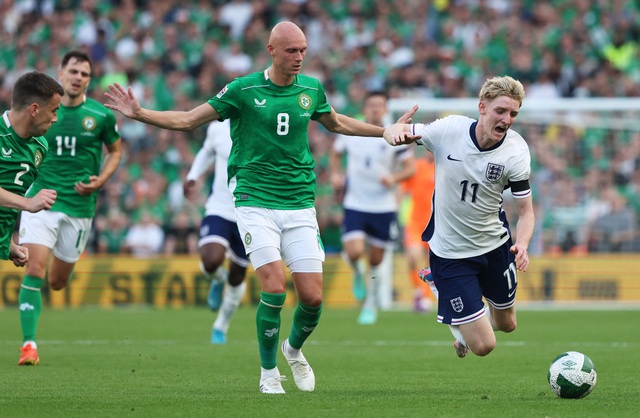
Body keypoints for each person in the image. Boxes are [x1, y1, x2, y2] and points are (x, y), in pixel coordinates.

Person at [105, 21, 417, 394]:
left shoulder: (311, 89)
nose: (299, 57)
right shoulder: (242, 89)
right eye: (291, 50)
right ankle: (269, 372)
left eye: (303, 50)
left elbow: (336, 123)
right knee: (273, 287)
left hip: (300, 203)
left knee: (314, 299)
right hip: (254, 201)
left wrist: (381, 131)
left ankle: (293, 350)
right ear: (271, 50)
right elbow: (188, 120)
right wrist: (140, 114)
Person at [383, 76, 534, 359]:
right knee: (484, 346)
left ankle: (469, 322)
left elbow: (526, 212)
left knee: (508, 324)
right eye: (501, 111)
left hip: (495, 246)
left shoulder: (516, 151)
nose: (507, 119)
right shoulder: (449, 130)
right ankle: (441, 287)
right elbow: (400, 130)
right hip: (451, 253)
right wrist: (392, 131)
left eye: (513, 113)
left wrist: (522, 244)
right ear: (482, 107)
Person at [17, 51, 122, 366]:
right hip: (41, 201)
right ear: (60, 73)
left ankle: (45, 294)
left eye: (85, 74)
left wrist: (101, 180)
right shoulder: (43, 111)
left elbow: (115, 151)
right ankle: (29, 345)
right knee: (34, 268)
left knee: (57, 281)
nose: (78, 77)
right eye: (73, 71)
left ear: (89, 80)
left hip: (80, 206)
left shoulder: (100, 116)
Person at [329, 91, 415, 325]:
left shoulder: (394, 134)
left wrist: (394, 178)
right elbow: (335, 154)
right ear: (365, 108)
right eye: (372, 105)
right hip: (355, 204)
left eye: (380, 105)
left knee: (376, 261)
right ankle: (357, 272)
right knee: (355, 252)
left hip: (384, 206)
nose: (376, 109)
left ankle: (370, 305)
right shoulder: (352, 131)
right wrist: (336, 174)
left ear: (386, 109)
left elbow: (410, 168)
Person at [182, 119, 250, 345]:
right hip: (220, 207)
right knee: (211, 260)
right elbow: (206, 151)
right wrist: (193, 175)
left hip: (252, 213)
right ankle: (216, 278)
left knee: (237, 276)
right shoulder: (218, 128)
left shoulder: (265, 122)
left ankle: (221, 325)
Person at [0, 71, 62, 268]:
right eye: (54, 110)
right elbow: (21, 200)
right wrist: (27, 203)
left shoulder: (40, 147)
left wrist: (7, 245)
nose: (55, 119)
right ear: (34, 109)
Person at [399, 150, 436, 313]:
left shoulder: (444, 167)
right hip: (415, 222)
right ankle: (419, 292)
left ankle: (425, 296)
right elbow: (402, 190)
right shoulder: (415, 167)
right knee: (413, 257)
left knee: (431, 263)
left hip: (436, 223)